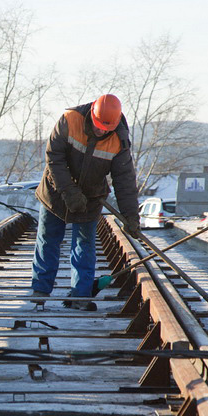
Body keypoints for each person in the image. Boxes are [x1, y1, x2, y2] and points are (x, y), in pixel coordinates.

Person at [31, 94, 141, 311]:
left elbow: (124, 181)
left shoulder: (119, 140)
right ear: (92, 114)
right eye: (99, 126)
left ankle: (80, 296)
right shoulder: (70, 120)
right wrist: (69, 192)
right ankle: (40, 291)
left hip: (90, 197)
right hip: (55, 190)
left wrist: (131, 216)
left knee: (84, 245)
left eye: (105, 129)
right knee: (48, 238)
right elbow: (54, 157)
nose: (101, 131)